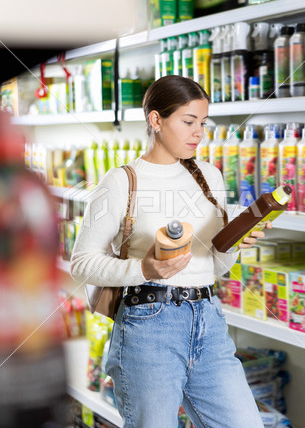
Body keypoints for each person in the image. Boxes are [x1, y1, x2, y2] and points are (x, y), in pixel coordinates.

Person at [71, 75, 271, 428]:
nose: (199, 132)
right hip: (148, 325)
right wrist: (144, 269)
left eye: (204, 123)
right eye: (188, 122)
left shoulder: (209, 175)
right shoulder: (121, 181)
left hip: (208, 319)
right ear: (156, 120)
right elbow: (82, 264)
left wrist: (236, 242)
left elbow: (216, 266)